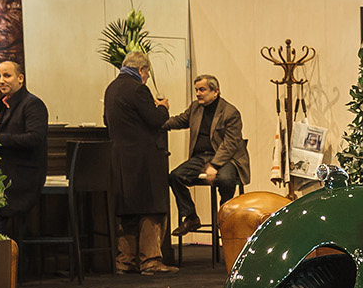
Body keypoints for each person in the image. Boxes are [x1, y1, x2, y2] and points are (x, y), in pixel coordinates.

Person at [102, 50, 176, 275]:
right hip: (144, 159)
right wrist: (162, 106)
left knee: (127, 211)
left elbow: (108, 120)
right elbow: (155, 121)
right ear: (142, 70)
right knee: (152, 210)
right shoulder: (138, 89)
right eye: (147, 73)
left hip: (120, 159)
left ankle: (125, 261)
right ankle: (150, 261)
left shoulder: (112, 88)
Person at [164, 74, 251, 236]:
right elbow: (180, 121)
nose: (198, 94)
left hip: (227, 158)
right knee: (175, 177)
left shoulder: (230, 112)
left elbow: (230, 144)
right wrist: (157, 119)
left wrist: (214, 165)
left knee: (225, 179)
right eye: (197, 90)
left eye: (202, 90)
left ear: (215, 91)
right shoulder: (195, 108)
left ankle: (225, 217)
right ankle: (191, 217)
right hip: (201, 158)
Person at [0, 60, 48, 236]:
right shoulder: (8, 105)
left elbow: (35, 138)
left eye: (6, 75)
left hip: (23, 179)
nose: (1, 80)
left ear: (20, 78)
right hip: (9, 176)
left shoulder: (32, 104)